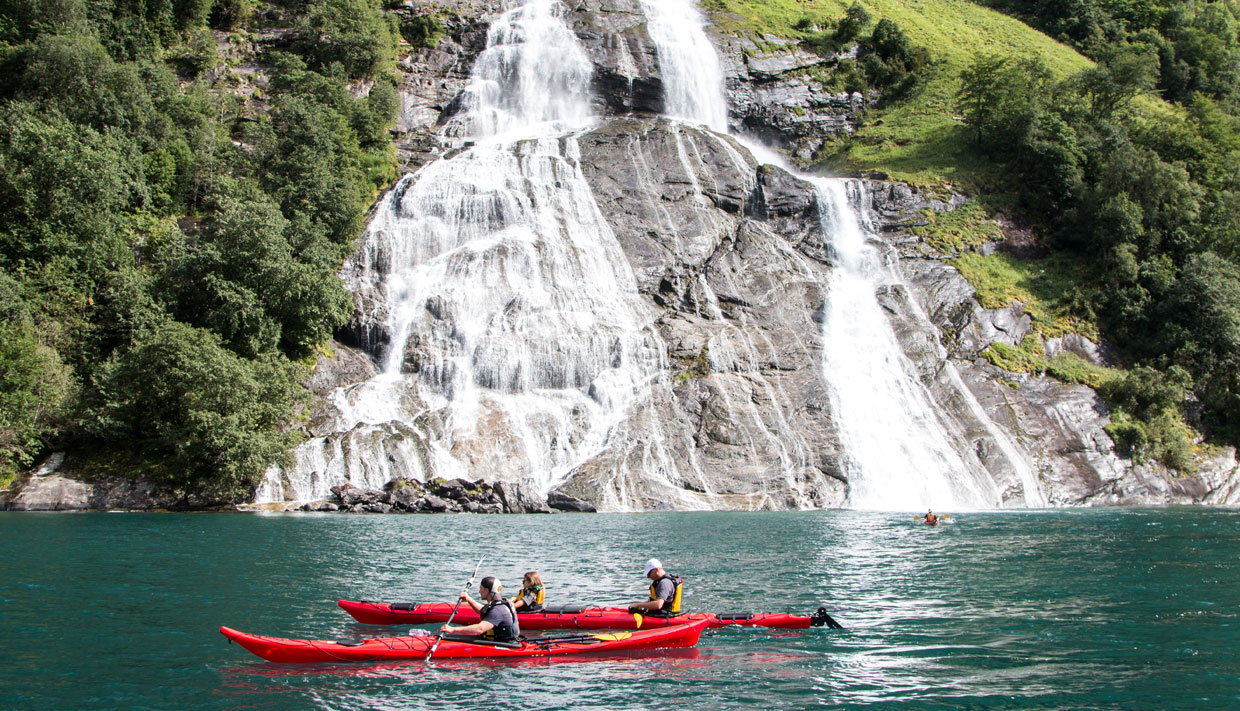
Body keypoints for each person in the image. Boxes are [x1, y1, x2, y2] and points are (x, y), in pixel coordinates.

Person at [439, 576, 520, 642]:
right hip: (497, 640)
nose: (479, 591)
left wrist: (453, 630)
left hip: (502, 645)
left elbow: (479, 629)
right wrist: (468, 599)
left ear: (486, 591)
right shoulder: (501, 603)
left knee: (452, 635)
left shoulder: (498, 610)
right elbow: (483, 610)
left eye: (481, 588)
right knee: (451, 636)